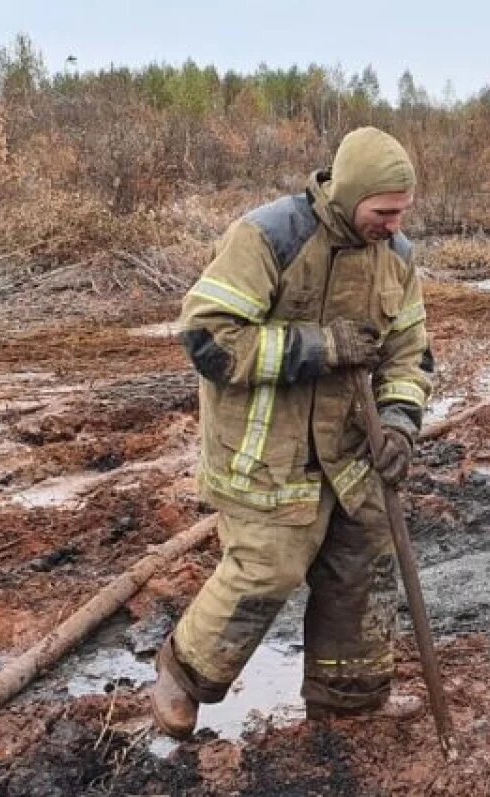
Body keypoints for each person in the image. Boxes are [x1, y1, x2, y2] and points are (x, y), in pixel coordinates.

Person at [150, 126, 434, 739]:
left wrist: (399, 425)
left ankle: (347, 704)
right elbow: (208, 338)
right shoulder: (269, 238)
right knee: (268, 568)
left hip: (352, 453)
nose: (394, 224)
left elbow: (410, 355)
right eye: (383, 212)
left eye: (402, 213)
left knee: (363, 563)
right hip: (265, 453)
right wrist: (317, 345)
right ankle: (184, 674)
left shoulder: (398, 258)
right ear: (351, 195)